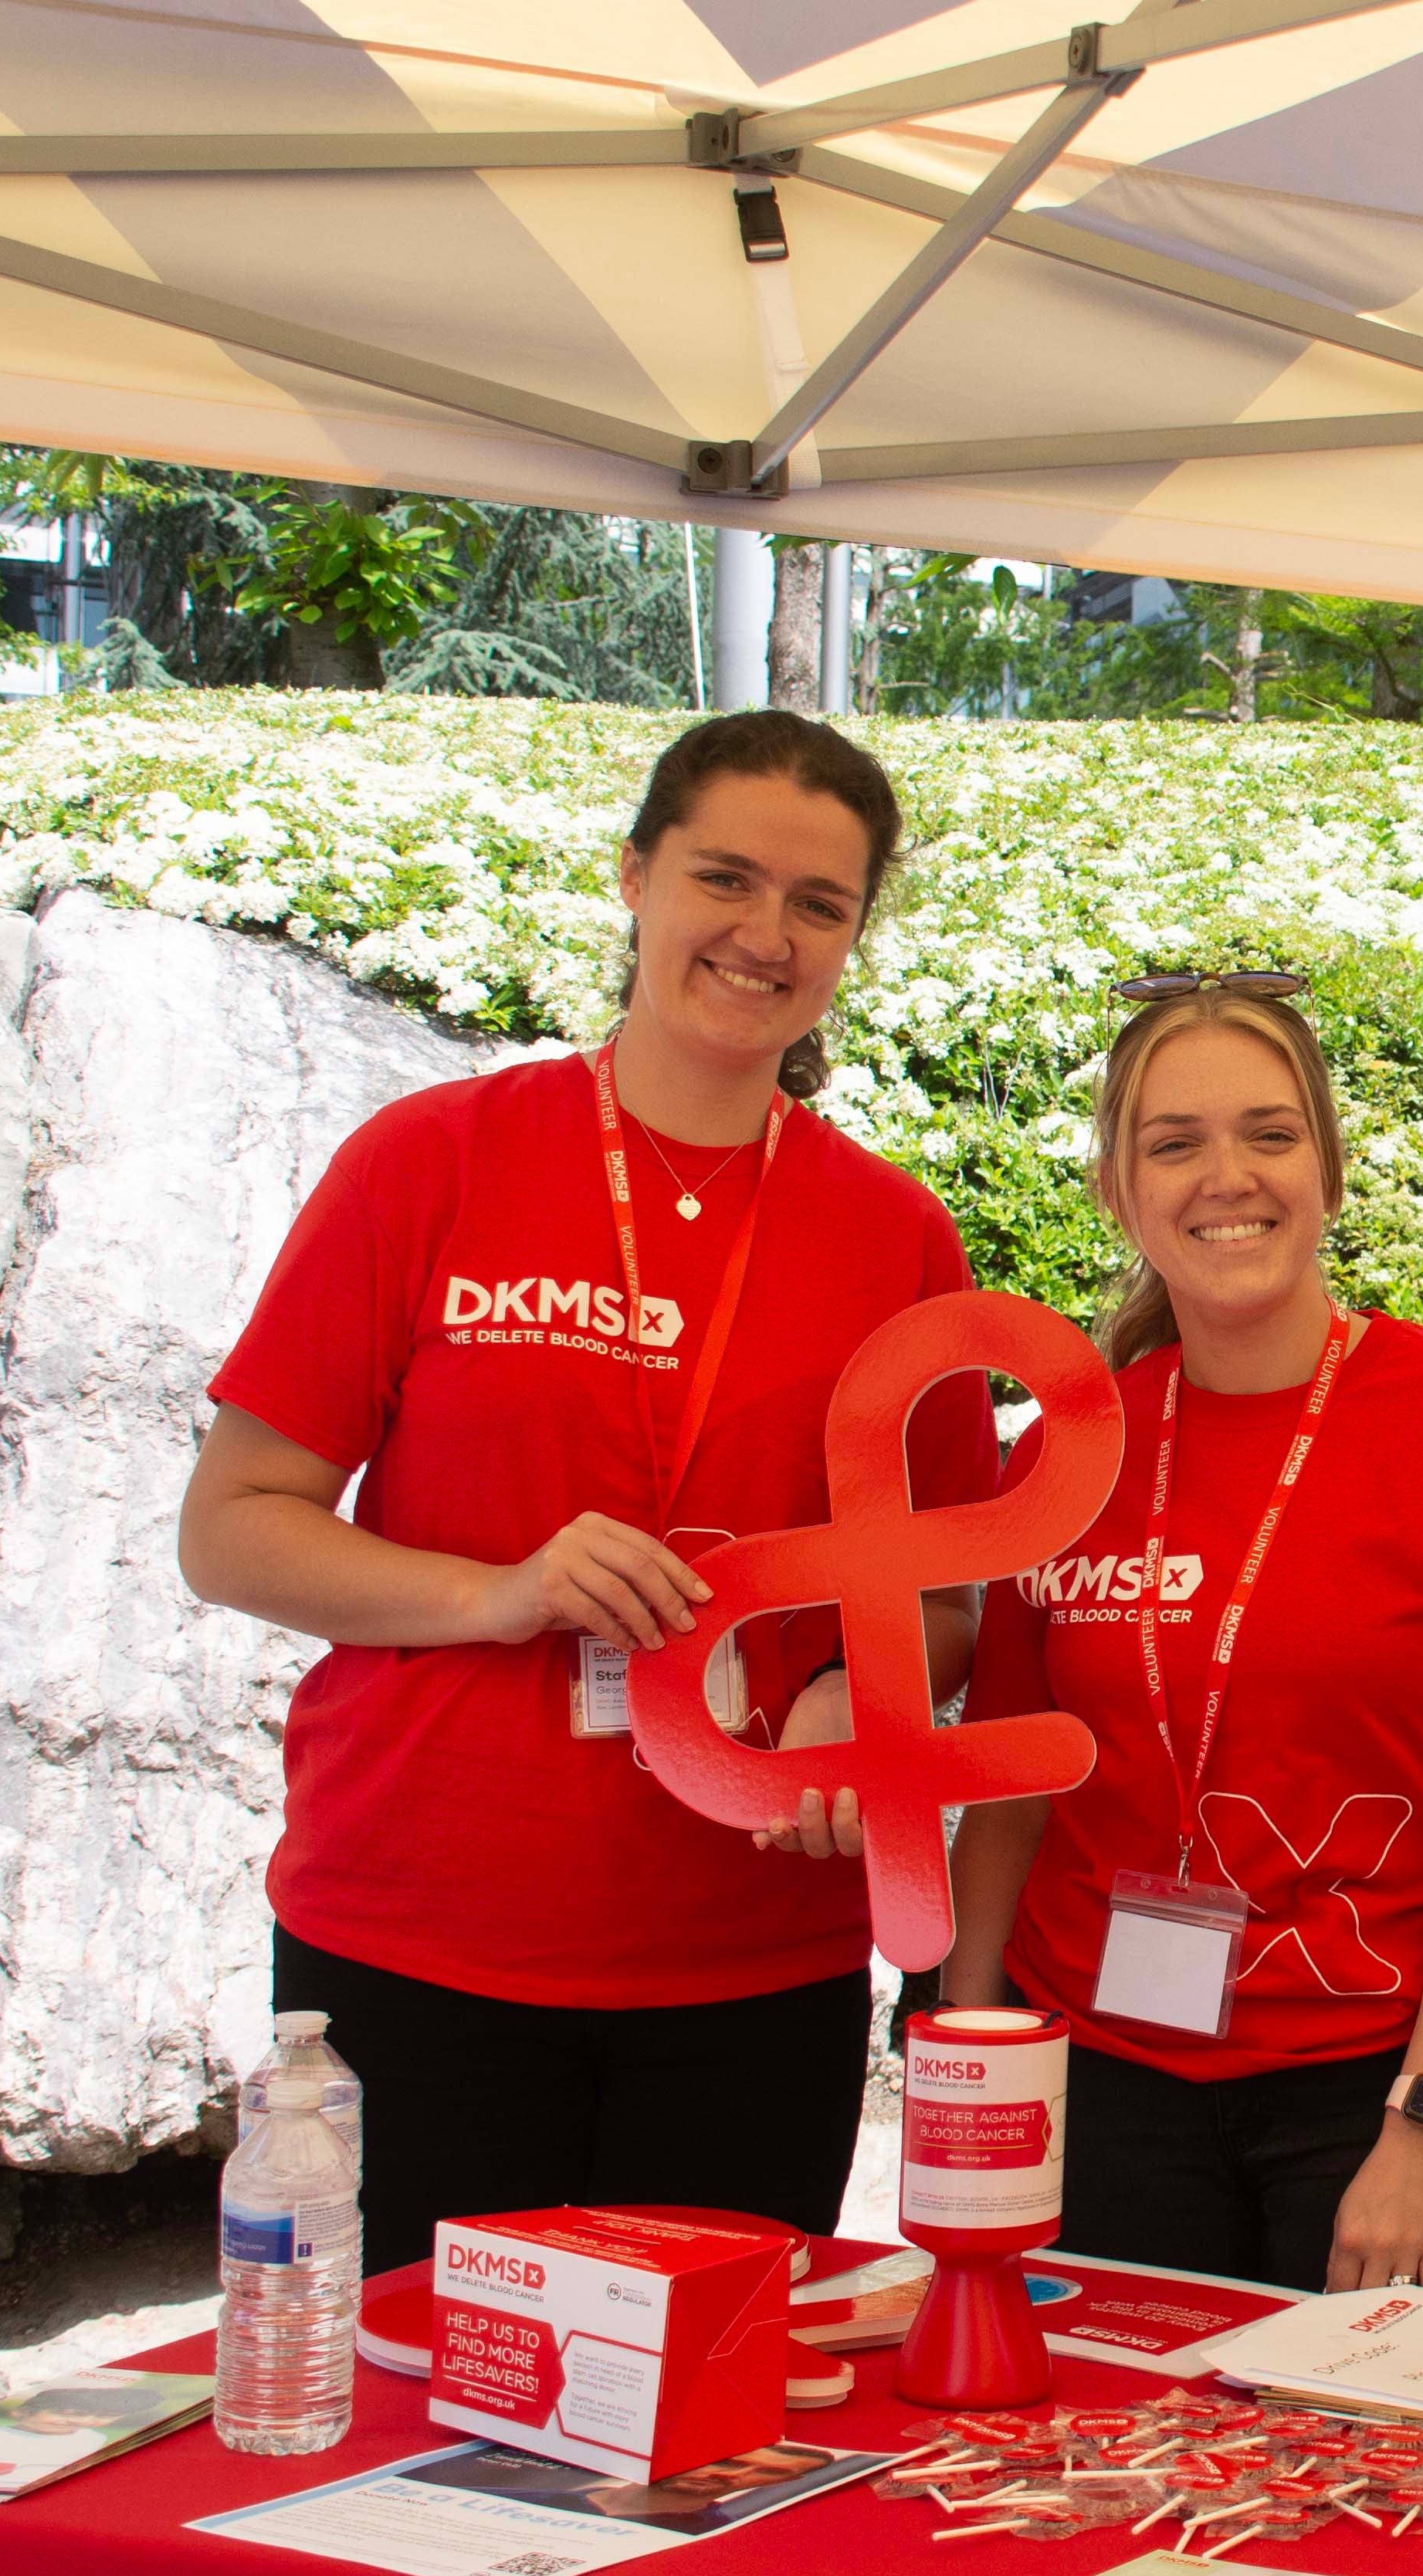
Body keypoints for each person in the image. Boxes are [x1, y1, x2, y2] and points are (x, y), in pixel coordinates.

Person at [182, 710, 994, 2276]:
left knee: (704, 2455)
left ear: (853, 939)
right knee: (413, 2457)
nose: (764, 935)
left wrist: (855, 1687)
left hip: (747, 1967)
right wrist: (494, 1591)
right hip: (421, 1935)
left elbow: (948, 1594)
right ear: (634, 876)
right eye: (725, 878)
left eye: (818, 904)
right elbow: (230, 1524)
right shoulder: (432, 1162)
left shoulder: (894, 1239)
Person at [942, 973, 1423, 2300]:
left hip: (1384, 2081)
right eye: (1174, 1142)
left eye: (1269, 1133)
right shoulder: (1065, 1452)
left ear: (1329, 1169)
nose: (1226, 1177)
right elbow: (1016, 1790)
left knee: (1388, 2492)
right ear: (1118, 1189)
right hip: (1106, 2078)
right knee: (1103, 2484)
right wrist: (968, 2062)